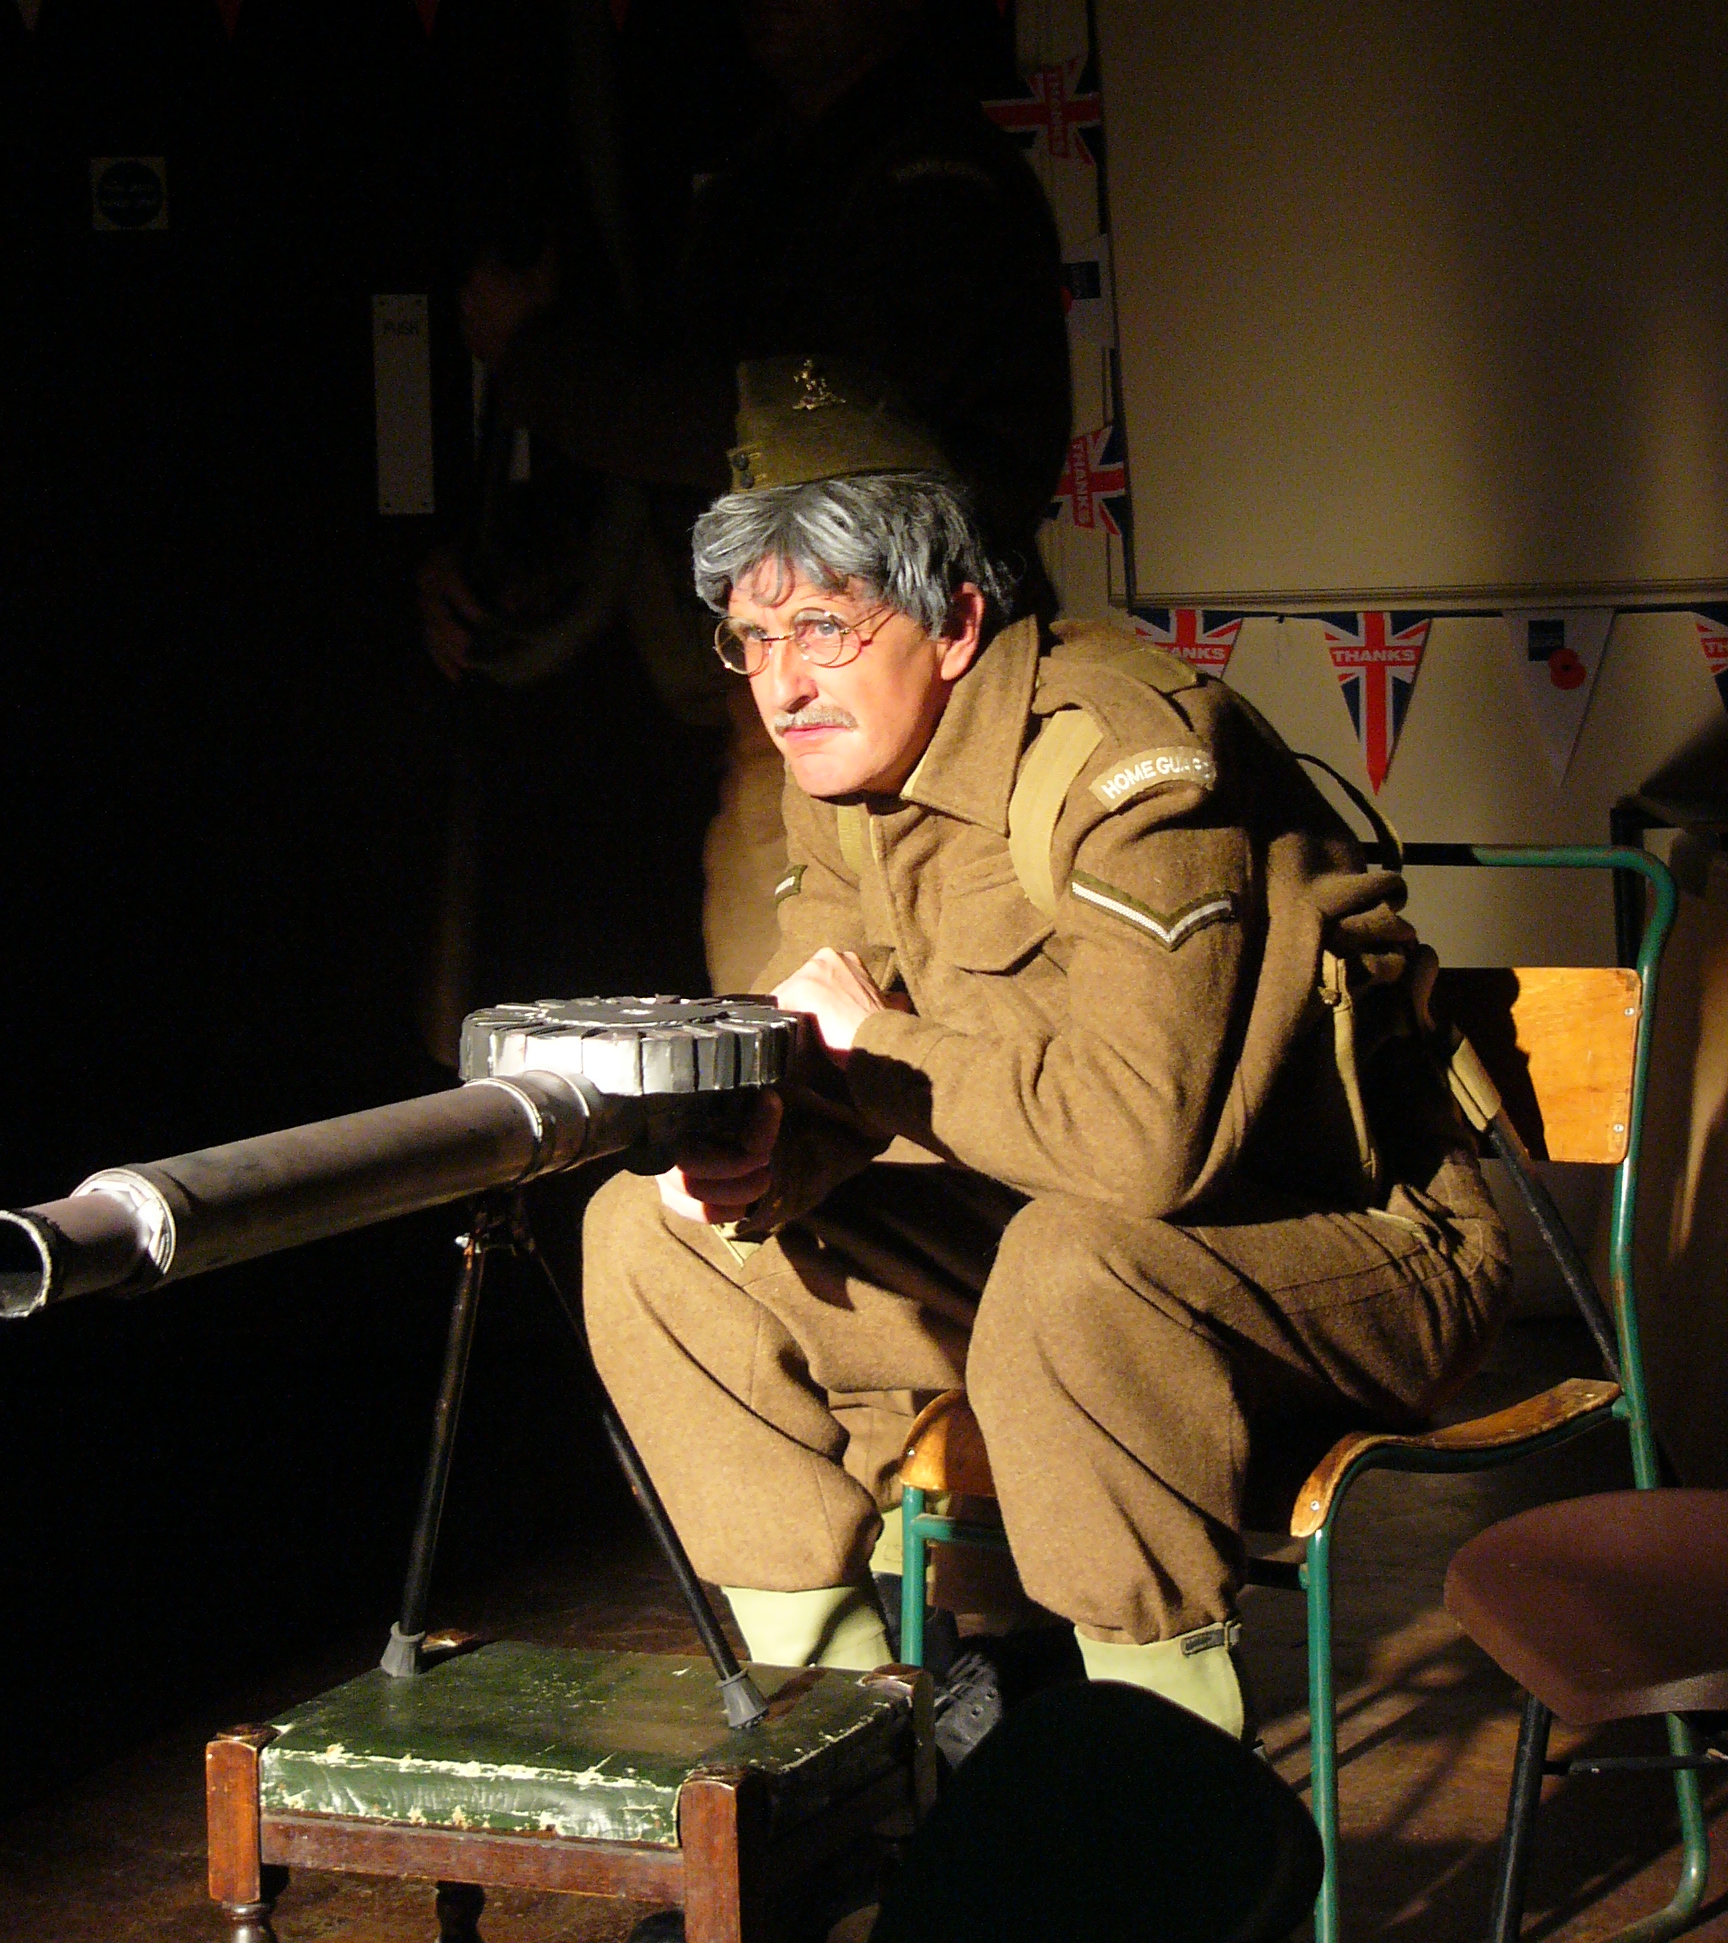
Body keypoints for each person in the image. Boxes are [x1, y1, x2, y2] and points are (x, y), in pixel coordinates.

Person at [582, 360, 1511, 1744]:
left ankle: (1151, 1793)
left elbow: (1142, 1154)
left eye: (824, 626)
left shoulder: (1130, 767)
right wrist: (768, 1153)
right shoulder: (847, 771)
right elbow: (826, 1056)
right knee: (652, 1241)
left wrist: (872, 1046)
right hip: (1045, 1251)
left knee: (1077, 1272)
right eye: (752, 637)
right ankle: (845, 1755)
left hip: (1345, 1249)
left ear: (957, 621)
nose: (783, 685)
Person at [422, 0, 1072, 991]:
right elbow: (694, 458)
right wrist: (516, 569)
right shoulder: (768, 188)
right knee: (771, 1050)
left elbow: (772, 428)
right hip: (778, 719)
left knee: (867, 1058)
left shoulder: (933, 189)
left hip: (918, 726)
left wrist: (538, 357)